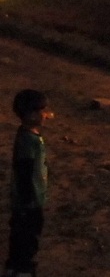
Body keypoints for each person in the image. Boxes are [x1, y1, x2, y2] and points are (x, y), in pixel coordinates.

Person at [5, 90, 51, 277]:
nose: (45, 114)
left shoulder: (26, 135)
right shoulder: (28, 141)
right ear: (31, 114)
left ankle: (13, 268)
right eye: (42, 111)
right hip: (29, 202)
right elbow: (24, 171)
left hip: (27, 200)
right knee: (28, 238)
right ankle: (22, 270)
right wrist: (27, 202)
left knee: (19, 237)